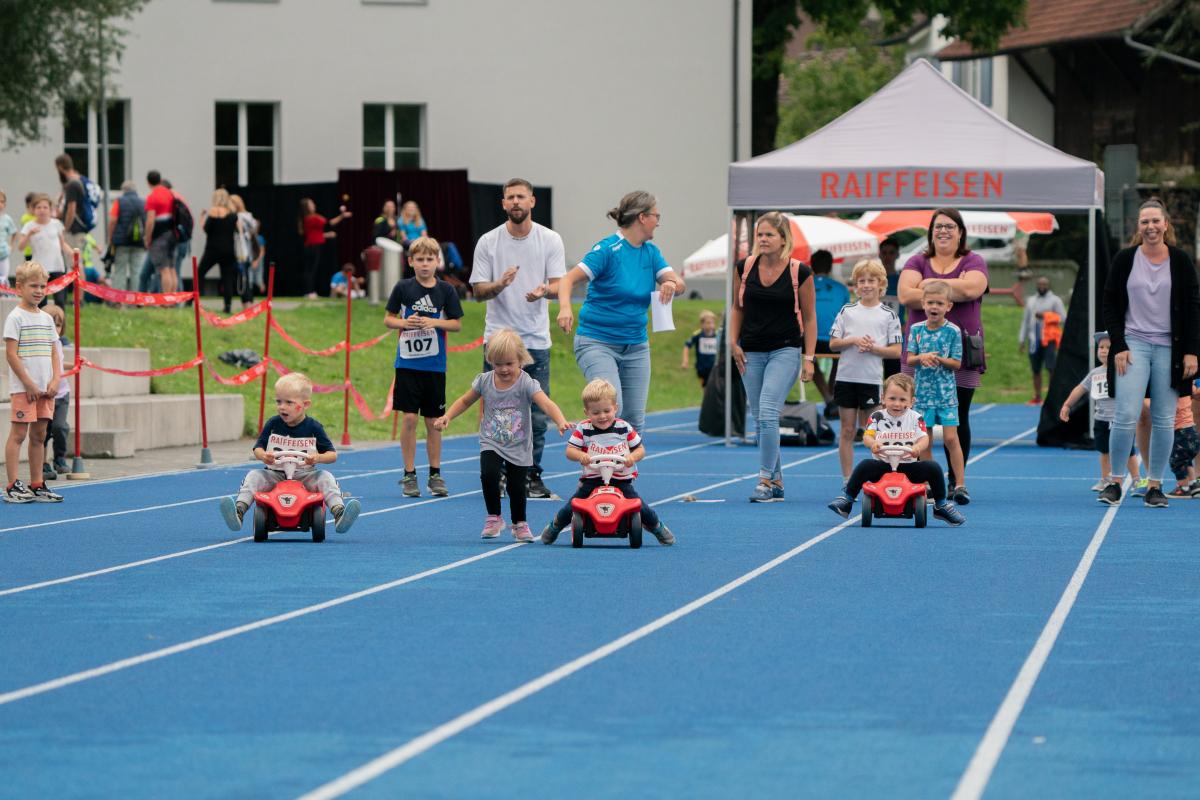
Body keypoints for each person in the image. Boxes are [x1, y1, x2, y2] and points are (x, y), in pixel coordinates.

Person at [555, 190, 685, 434]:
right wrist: (565, 308)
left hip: (636, 346)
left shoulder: (651, 252)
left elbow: (679, 283)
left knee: (634, 419)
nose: (658, 222)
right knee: (610, 409)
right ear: (642, 217)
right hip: (597, 342)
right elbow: (567, 279)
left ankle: (625, 461)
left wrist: (670, 283)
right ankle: (592, 455)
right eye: (656, 216)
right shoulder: (607, 250)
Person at [1100, 198, 1200, 507]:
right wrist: (1119, 345)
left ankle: (1155, 485)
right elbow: (1109, 304)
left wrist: (1192, 352)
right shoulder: (1125, 259)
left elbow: (1194, 308)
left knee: (1164, 418)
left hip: (1171, 347)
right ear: (1139, 226)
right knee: (1126, 414)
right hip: (1134, 344)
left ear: (1166, 225)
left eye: (1156, 220)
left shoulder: (1181, 261)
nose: (1151, 226)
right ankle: (1115, 481)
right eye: (1145, 221)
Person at [470, 177, 566, 499]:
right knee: (499, 412)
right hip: (499, 339)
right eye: (510, 197)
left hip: (535, 339)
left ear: (532, 201)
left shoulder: (550, 239)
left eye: (521, 197)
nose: (515, 202)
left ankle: (531, 475)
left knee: (537, 414)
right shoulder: (489, 241)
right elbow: (478, 291)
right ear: (503, 203)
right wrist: (499, 285)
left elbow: (559, 285)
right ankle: (500, 473)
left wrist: (544, 291)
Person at [433, 329, 571, 541]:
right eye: (498, 364)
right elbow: (465, 400)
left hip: (519, 443)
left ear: (520, 360)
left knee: (517, 486)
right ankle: (494, 518)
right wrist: (447, 416)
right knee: (489, 475)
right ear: (490, 362)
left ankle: (519, 523)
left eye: (509, 363)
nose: (504, 369)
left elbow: (545, 403)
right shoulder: (485, 381)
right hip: (492, 440)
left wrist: (560, 420)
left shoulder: (526, 382)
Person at [897, 207, 989, 503]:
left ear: (960, 232)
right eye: (938, 226)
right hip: (919, 353)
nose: (944, 231)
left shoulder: (974, 261)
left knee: (957, 419)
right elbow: (905, 295)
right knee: (916, 419)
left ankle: (955, 482)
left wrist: (926, 286)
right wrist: (953, 288)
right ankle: (923, 479)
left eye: (950, 226)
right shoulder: (917, 260)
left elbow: (973, 289)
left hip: (962, 351)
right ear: (930, 232)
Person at [728, 211, 817, 502]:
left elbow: (810, 317)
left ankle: (764, 480)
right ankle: (776, 481)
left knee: (767, 412)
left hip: (785, 349)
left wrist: (809, 358)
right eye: (760, 234)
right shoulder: (744, 267)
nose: (763, 239)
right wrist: (733, 343)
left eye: (769, 234)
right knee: (760, 418)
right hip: (750, 351)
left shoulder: (799, 272)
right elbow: (737, 308)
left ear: (783, 238)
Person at [219, 372, 361, 534]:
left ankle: (339, 513)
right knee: (253, 476)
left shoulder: (313, 427)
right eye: (278, 401)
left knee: (326, 478)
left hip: (305, 476)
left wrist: (317, 457)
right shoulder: (273, 424)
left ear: (305, 404)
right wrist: (264, 456)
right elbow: (257, 448)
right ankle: (238, 511)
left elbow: (332, 455)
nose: (282, 407)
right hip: (275, 475)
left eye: (289, 402)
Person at [539, 378, 676, 546]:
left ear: (615, 408)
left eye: (607, 411)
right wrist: (580, 456)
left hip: (620, 480)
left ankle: (656, 526)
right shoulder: (584, 429)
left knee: (639, 505)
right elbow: (570, 451)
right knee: (573, 504)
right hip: (592, 480)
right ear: (587, 412)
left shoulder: (624, 428)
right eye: (596, 413)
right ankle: (556, 525)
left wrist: (632, 457)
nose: (602, 416)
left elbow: (640, 449)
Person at [827, 373, 965, 526]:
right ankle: (847, 499)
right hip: (883, 466)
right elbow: (867, 436)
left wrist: (917, 447)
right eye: (892, 398)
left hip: (908, 466)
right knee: (864, 465)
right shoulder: (876, 416)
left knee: (933, 468)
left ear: (912, 401)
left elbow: (924, 438)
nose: (897, 404)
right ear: (883, 398)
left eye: (902, 400)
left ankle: (940, 505)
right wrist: (873, 444)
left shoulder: (916, 418)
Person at [385, 236, 464, 498]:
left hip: (434, 366)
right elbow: (388, 319)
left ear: (437, 261)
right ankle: (409, 474)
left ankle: (435, 474)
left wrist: (434, 323)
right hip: (407, 364)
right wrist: (404, 323)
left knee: (433, 421)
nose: (425, 264)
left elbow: (456, 324)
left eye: (430, 259)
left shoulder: (446, 290)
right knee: (409, 418)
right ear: (411, 262)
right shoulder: (403, 287)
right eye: (420, 259)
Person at [829, 258, 902, 484]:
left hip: (871, 380)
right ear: (855, 285)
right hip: (846, 378)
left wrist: (874, 348)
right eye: (861, 281)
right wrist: (852, 340)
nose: (866, 285)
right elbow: (833, 344)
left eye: (871, 281)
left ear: (881, 284)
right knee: (847, 430)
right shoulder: (847, 311)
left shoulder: (888, 314)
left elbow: (896, 351)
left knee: (874, 432)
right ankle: (848, 479)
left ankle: (878, 476)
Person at [3, 261, 64, 503]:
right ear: (19, 287)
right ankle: (12, 485)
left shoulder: (47, 319)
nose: (39, 291)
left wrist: (55, 379)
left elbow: (54, 353)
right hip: (24, 389)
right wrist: (28, 383)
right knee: (18, 435)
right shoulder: (15, 317)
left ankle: (37, 483)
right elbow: (11, 354)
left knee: (39, 436)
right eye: (33, 286)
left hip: (45, 389)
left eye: (42, 286)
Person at [906, 280, 967, 500]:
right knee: (925, 441)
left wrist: (939, 359)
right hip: (923, 396)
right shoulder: (916, 329)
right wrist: (921, 357)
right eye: (930, 302)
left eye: (939, 303)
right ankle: (929, 484)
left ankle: (960, 484)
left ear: (948, 306)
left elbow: (956, 363)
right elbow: (910, 359)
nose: (934, 307)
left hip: (946, 395)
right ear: (923, 304)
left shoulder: (953, 331)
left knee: (951, 439)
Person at [1058, 332, 1140, 492]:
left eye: (1108, 347)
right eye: (1101, 347)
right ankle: (1105, 479)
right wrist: (1067, 405)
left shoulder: (1125, 370)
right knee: (1104, 451)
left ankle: (1137, 479)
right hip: (1101, 419)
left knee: (1128, 451)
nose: (1103, 350)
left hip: (1121, 420)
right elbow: (1080, 389)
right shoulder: (1095, 373)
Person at [810, 249, 850, 418]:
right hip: (834, 339)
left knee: (808, 358)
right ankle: (831, 399)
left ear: (811, 266)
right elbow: (847, 316)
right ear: (830, 267)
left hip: (810, 340)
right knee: (837, 359)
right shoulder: (841, 289)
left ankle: (828, 398)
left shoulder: (804, 286)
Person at [16, 194, 75, 303]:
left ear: (50, 209)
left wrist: (72, 253)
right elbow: (20, 247)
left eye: (45, 207)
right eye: (38, 207)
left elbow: (62, 244)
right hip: (39, 269)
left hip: (57, 266)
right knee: (41, 302)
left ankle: (59, 315)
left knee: (60, 300)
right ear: (33, 210)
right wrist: (29, 234)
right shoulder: (29, 226)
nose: (42, 210)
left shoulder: (56, 224)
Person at [1018, 276, 1066, 406]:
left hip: (1049, 339)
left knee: (1051, 368)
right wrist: (1021, 339)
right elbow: (1025, 321)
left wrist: (1045, 316)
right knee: (1035, 369)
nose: (1042, 286)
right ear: (1036, 285)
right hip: (1034, 340)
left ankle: (1052, 397)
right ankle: (1037, 397)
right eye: (1040, 284)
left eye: (1044, 284)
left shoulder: (1055, 300)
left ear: (1049, 286)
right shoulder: (1031, 300)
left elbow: (1063, 318)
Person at [197, 189, 242, 313]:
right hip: (228, 250)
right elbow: (239, 231)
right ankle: (227, 306)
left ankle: (191, 300)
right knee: (227, 278)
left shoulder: (213, 212)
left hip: (212, 249)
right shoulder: (233, 215)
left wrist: (202, 218)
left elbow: (206, 230)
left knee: (199, 273)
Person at [41, 305, 71, 479]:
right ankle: (43, 463)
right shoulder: (41, 345)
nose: (55, 329)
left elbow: (59, 363)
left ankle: (59, 457)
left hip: (61, 394)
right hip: (45, 394)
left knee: (60, 427)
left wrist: (74, 365)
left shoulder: (58, 344)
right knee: (43, 431)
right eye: (51, 325)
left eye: (58, 325)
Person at [298, 198, 350, 299]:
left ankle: (310, 292)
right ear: (307, 207)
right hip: (313, 247)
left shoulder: (308, 219)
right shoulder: (312, 218)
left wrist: (327, 235)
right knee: (310, 271)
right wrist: (342, 216)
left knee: (311, 270)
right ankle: (309, 292)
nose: (314, 205)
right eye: (311, 204)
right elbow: (329, 223)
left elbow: (315, 234)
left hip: (311, 246)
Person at [106, 180, 145, 292]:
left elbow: (113, 221)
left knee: (120, 270)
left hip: (121, 242)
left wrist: (110, 238)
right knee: (137, 270)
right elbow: (146, 222)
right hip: (139, 242)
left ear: (123, 190)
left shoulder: (119, 201)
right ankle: (137, 298)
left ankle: (120, 298)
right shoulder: (143, 202)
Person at [143, 170, 178, 293]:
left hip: (159, 237)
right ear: (160, 180)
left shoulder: (152, 197)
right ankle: (173, 298)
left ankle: (166, 299)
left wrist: (147, 238)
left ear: (148, 182)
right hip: (172, 234)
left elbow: (150, 220)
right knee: (172, 268)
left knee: (164, 269)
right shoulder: (170, 194)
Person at [54, 154, 92, 253]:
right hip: (80, 229)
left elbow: (71, 209)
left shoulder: (72, 184)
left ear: (60, 167)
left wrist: (66, 228)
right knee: (76, 259)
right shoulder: (80, 180)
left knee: (73, 259)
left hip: (73, 231)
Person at [879, 236, 905, 377]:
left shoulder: (903, 281)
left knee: (894, 379)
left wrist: (904, 328)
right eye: (884, 253)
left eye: (891, 253)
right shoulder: (873, 281)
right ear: (879, 255)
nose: (887, 257)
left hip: (896, 338)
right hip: (875, 337)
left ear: (897, 255)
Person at [1166, 393, 1199, 498]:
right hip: (1192, 430)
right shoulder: (1185, 390)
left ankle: (1183, 488)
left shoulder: (1170, 392)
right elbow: (1195, 391)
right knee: (1186, 459)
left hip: (1180, 431)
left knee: (1177, 461)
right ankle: (1193, 484)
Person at [230, 194, 258, 302]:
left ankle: (247, 302)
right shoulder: (249, 216)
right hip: (246, 251)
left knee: (242, 277)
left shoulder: (240, 217)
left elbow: (247, 234)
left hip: (241, 251)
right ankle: (248, 301)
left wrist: (242, 232)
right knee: (244, 277)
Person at [681, 309, 719, 387]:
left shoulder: (717, 335)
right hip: (702, 368)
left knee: (714, 387)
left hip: (714, 367)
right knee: (705, 387)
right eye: (708, 323)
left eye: (713, 323)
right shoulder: (698, 335)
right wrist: (685, 361)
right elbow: (687, 346)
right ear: (702, 324)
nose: (711, 325)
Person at [0, 189, 17, 287]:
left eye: (2, 202)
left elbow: (14, 232)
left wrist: (11, 246)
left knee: (3, 279)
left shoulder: (7, 219)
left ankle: (4, 293)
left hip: (3, 254)